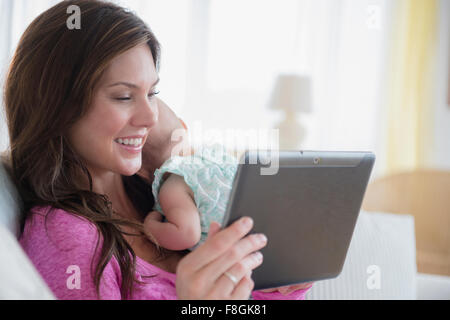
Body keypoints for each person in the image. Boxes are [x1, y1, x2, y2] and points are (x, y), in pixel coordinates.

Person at [3, 0, 313, 299]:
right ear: (58, 107)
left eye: (152, 92)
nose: (150, 116)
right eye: (124, 96)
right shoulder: (68, 238)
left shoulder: (163, 200)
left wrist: (285, 279)